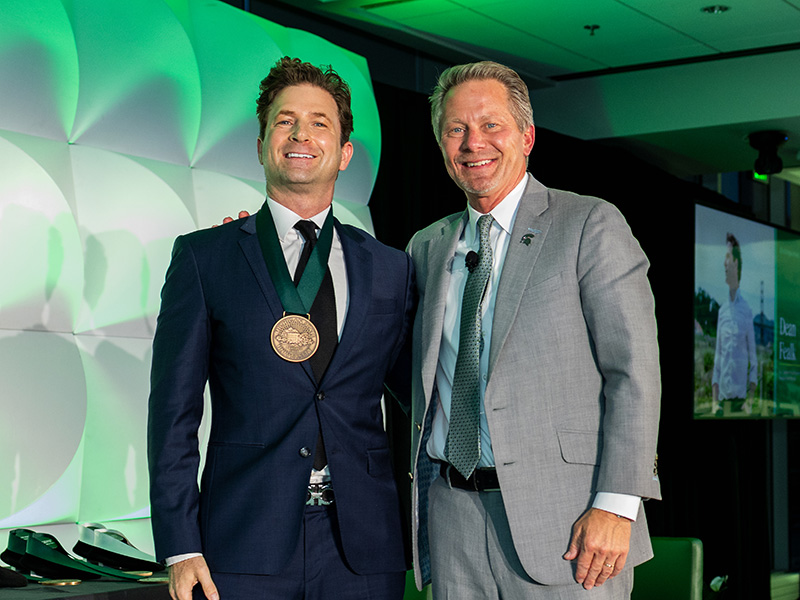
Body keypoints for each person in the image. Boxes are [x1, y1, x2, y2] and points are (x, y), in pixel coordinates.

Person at [147, 57, 415, 600]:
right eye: (285, 121)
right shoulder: (205, 258)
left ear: (344, 152)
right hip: (242, 542)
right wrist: (180, 545)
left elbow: (422, 397)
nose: (300, 135)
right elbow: (173, 413)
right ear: (262, 144)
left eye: (319, 122)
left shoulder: (392, 268)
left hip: (364, 548)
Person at [406, 61, 661, 599]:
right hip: (452, 520)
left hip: (571, 524)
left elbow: (634, 373)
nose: (473, 143)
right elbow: (396, 366)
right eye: (456, 129)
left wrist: (618, 504)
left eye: (491, 125)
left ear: (526, 136)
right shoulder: (426, 247)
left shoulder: (589, 224)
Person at [711, 232, 757, 416]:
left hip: (740, 406)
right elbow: (717, 359)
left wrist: (750, 402)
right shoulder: (722, 311)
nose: (724, 263)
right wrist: (714, 404)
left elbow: (754, 362)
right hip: (722, 406)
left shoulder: (746, 311)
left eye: (727, 258)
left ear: (736, 264)